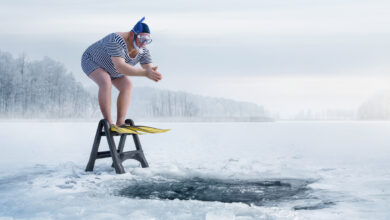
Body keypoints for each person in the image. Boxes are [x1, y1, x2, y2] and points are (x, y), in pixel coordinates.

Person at [81, 17, 162, 131]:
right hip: (92, 61)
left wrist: (151, 71)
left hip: (113, 69)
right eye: (141, 38)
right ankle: (109, 123)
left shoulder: (142, 50)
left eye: (147, 40)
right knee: (105, 82)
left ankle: (120, 123)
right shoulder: (116, 40)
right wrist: (145, 73)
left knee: (127, 86)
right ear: (132, 34)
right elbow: (121, 67)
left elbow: (148, 68)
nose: (143, 43)